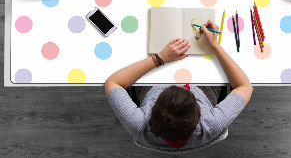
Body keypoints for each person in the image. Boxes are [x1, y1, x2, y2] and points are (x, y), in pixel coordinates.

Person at [105, 20, 253, 150]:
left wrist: (159, 58)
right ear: (199, 114)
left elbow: (113, 82)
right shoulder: (211, 124)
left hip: (150, 85)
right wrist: (214, 45)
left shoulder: (139, 125)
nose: (181, 84)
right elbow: (245, 86)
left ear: (153, 111)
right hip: (205, 88)